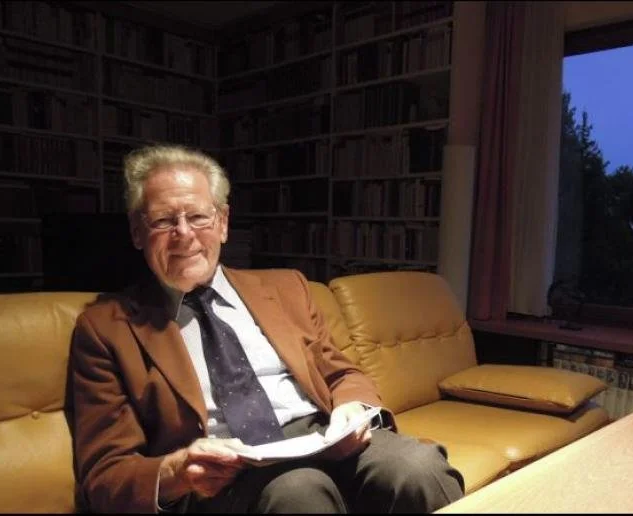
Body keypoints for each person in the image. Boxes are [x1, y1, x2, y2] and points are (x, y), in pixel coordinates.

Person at [67, 144, 464, 513]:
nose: (184, 234)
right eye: (163, 220)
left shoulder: (286, 287)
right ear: (137, 232)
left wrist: (353, 410)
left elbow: (341, 373)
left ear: (223, 223)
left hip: (321, 435)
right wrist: (177, 470)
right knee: (299, 492)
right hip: (226, 471)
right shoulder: (105, 328)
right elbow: (104, 473)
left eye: (199, 216)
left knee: (419, 468)